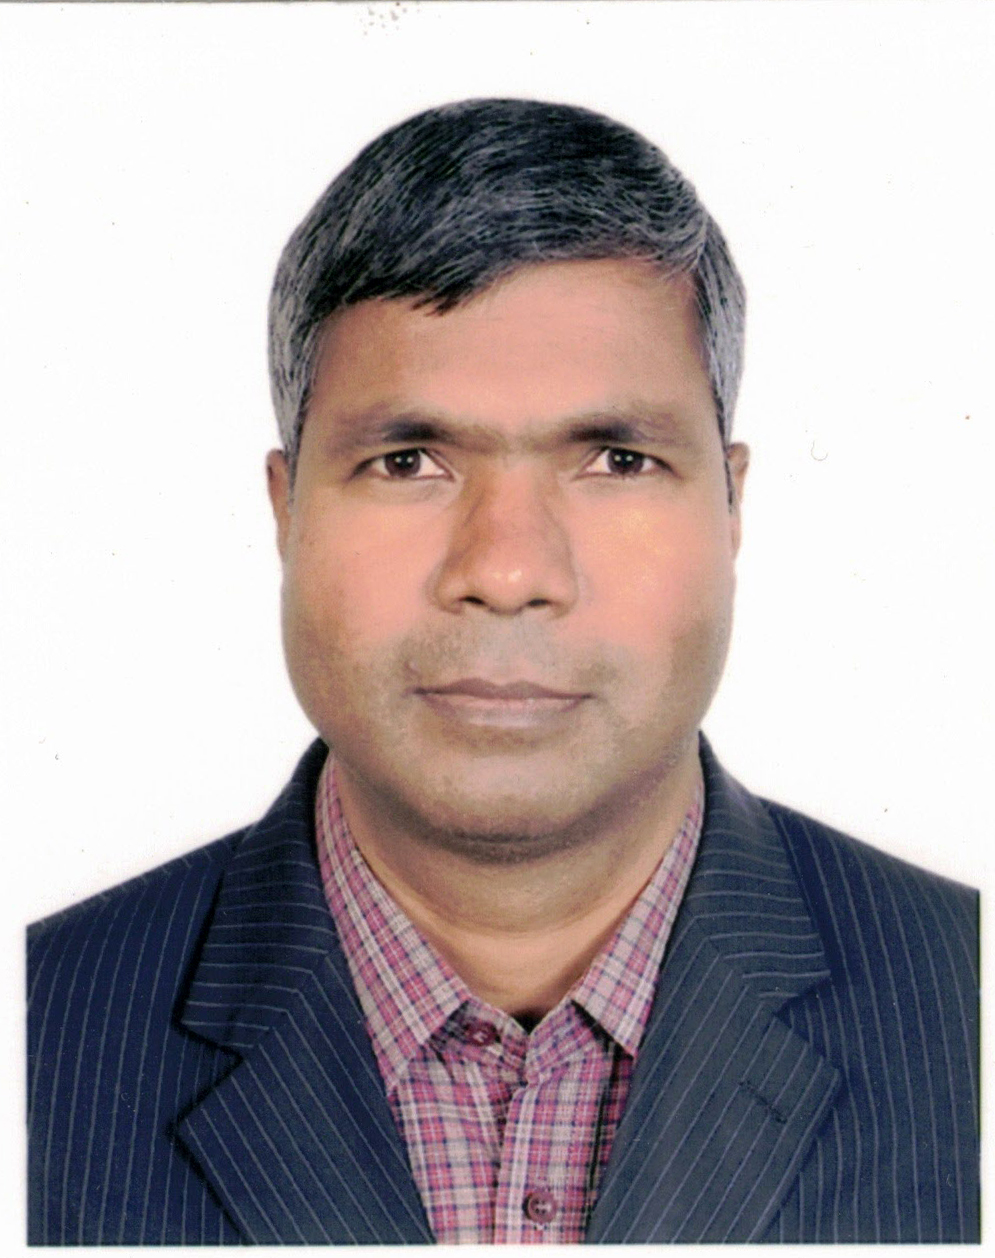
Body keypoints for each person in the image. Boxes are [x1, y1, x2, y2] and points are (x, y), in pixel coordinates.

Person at [27, 98, 978, 1246]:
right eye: (408, 461)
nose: (508, 571)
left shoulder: (960, 1001)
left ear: (730, 505)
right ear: (286, 510)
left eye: (615, 459)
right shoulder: (40, 1028)